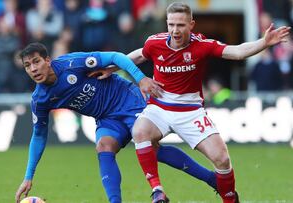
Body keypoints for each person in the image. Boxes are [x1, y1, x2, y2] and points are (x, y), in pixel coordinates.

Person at [95, 2, 290, 203]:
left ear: (191, 25)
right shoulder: (155, 43)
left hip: (190, 110)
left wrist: (263, 43)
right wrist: (111, 68)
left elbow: (237, 51)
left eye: (180, 25)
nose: (175, 30)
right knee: (139, 132)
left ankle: (230, 199)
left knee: (221, 159)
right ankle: (157, 191)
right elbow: (137, 56)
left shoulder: (202, 45)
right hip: (159, 107)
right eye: (171, 25)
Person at [15, 42, 222, 203]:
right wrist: (28, 176)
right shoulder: (40, 99)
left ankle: (212, 179)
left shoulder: (72, 64)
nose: (33, 69)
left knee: (152, 149)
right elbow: (39, 135)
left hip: (128, 101)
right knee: (103, 146)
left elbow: (116, 57)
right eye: (27, 66)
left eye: (36, 62)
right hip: (106, 118)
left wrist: (140, 79)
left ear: (48, 60)